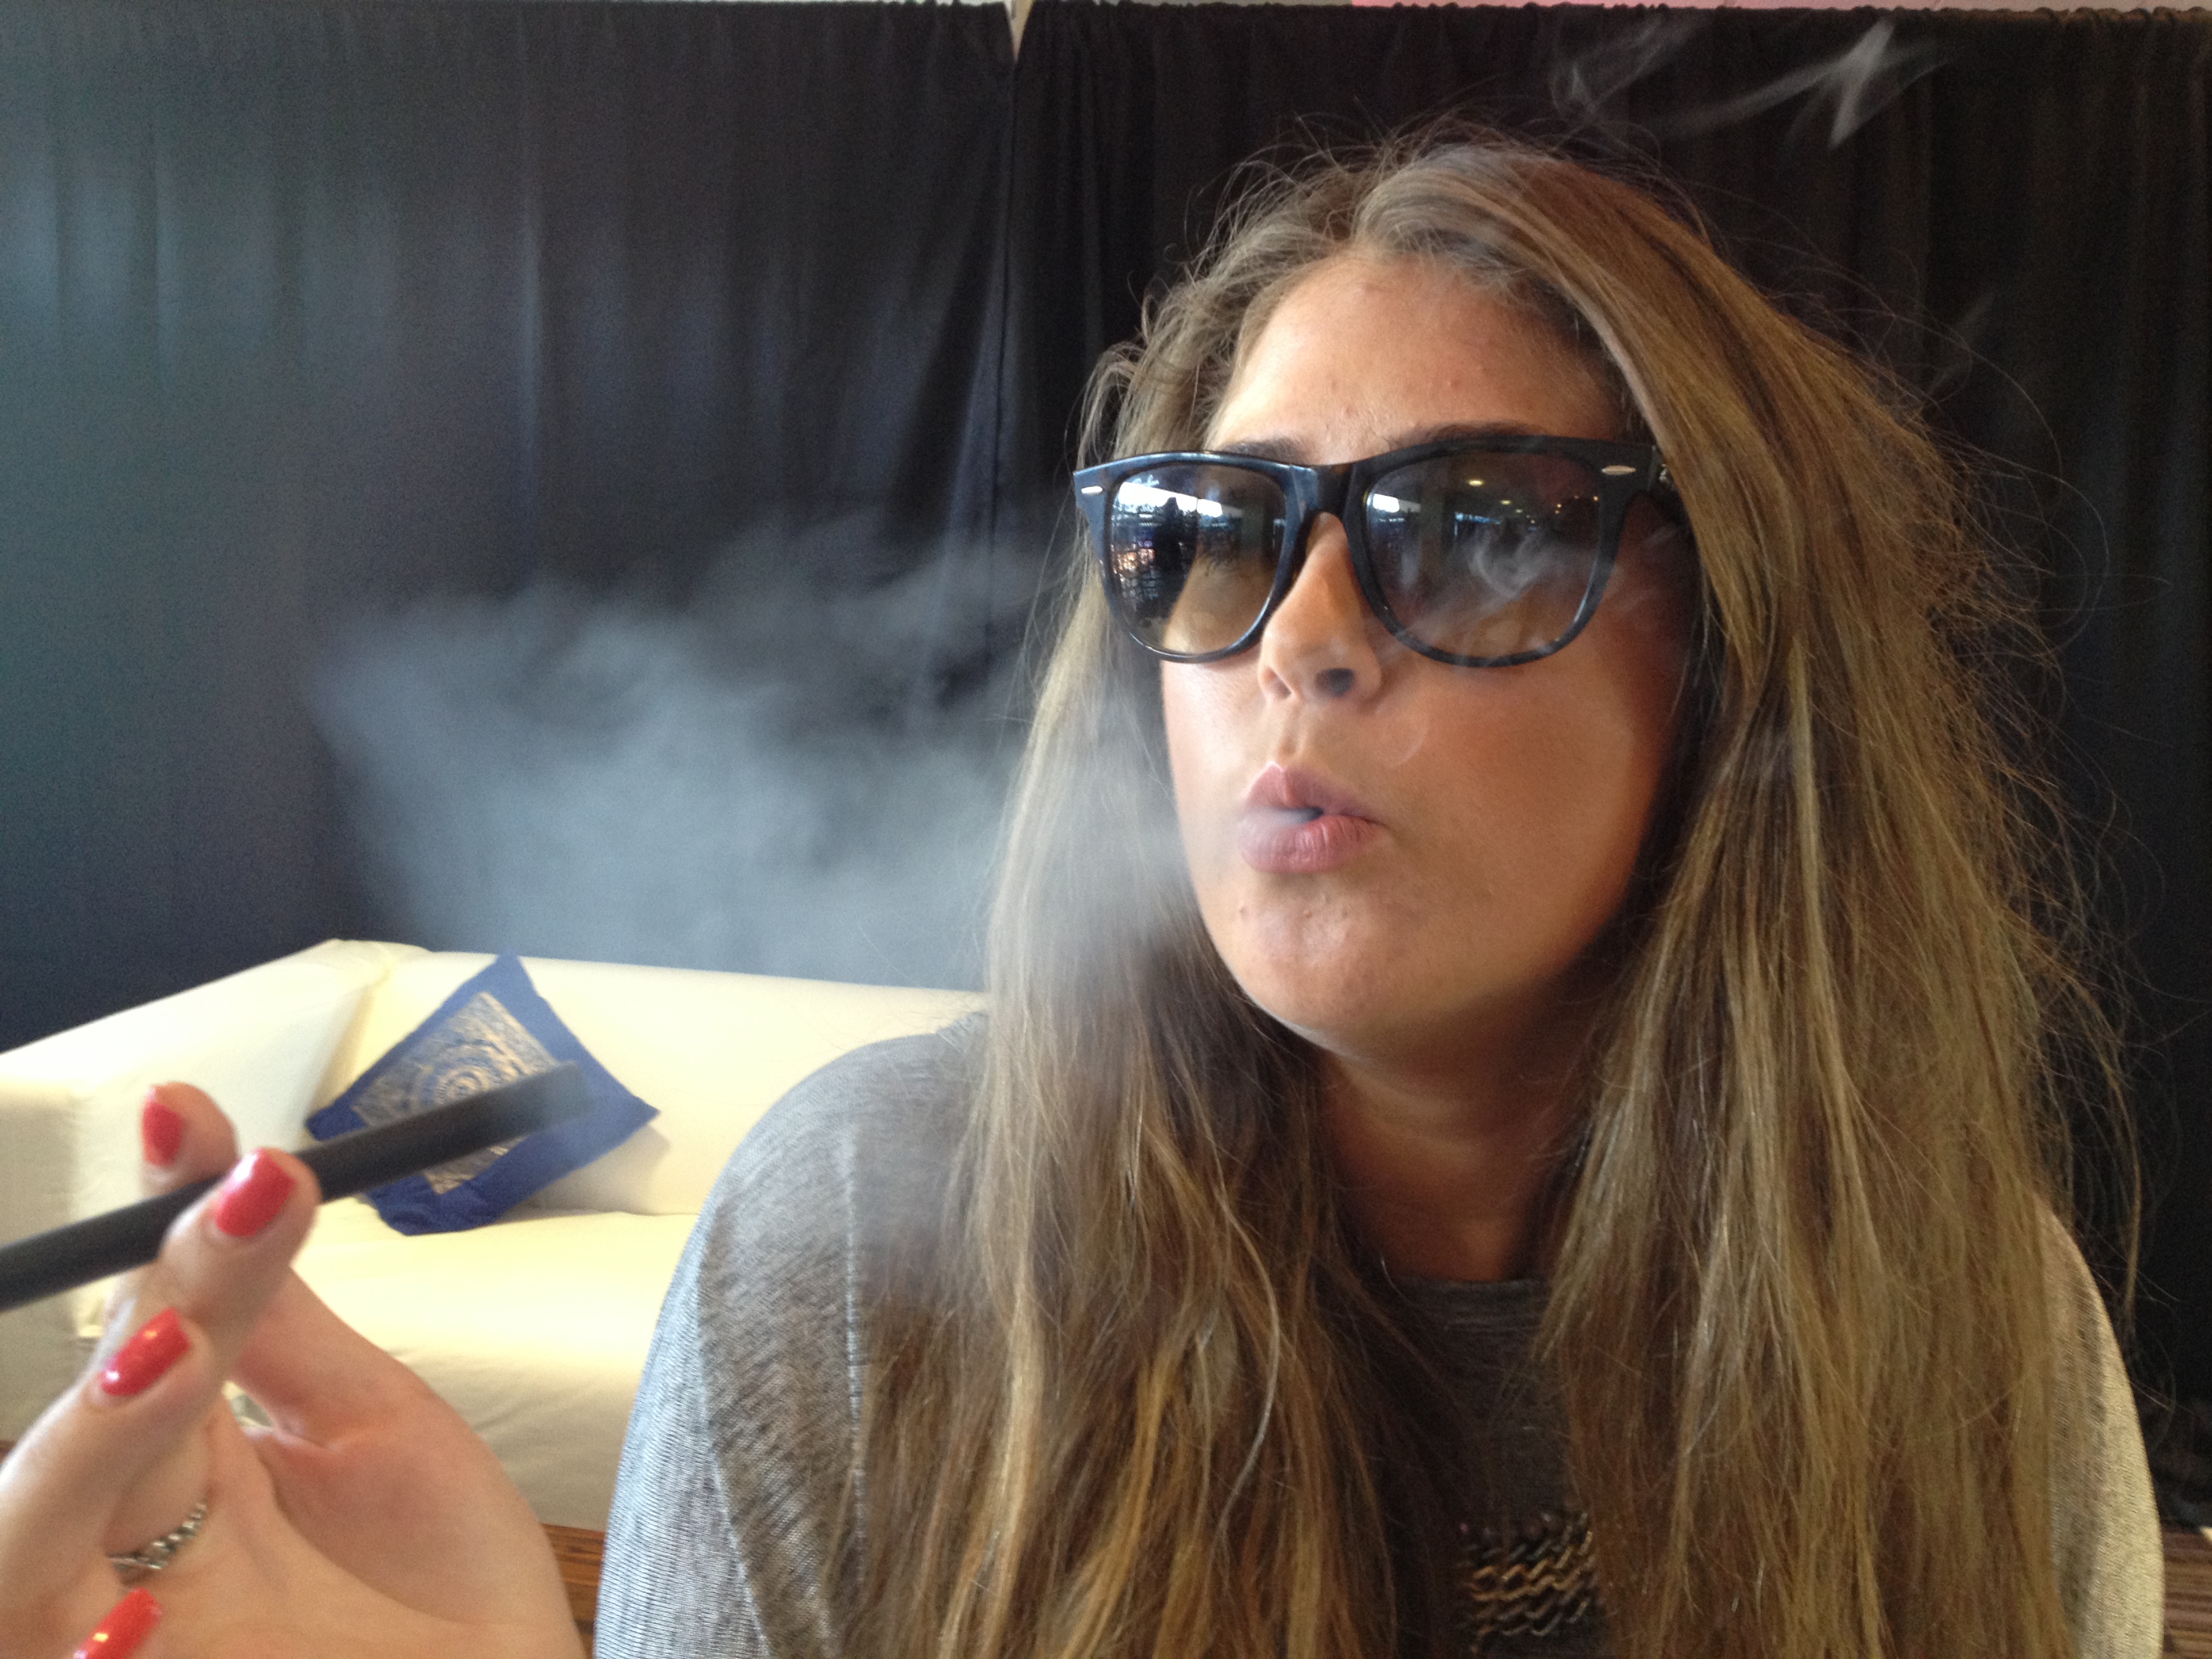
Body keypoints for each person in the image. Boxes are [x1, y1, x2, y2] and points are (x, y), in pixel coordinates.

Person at [0, 131, 2164, 1659]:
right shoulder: (863, 1247)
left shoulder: (1989, 1338)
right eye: (1215, 534)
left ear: (1741, 671)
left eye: (1472, 524)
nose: (1301, 636)